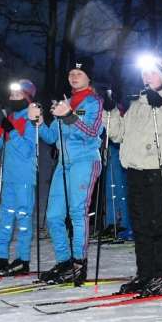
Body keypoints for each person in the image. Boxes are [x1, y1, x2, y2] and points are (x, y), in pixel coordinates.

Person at [105, 55, 162, 296]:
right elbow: (118, 135)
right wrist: (110, 113)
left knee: (160, 225)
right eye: (144, 73)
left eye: (152, 73)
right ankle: (145, 273)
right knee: (140, 225)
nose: (146, 77)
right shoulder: (136, 104)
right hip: (134, 171)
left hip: (158, 171)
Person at [30, 60, 104, 285]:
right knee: (53, 216)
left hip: (85, 160)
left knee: (77, 212)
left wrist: (70, 115)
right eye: (71, 73)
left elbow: (92, 132)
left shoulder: (94, 102)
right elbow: (52, 137)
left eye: (79, 73)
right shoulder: (65, 102)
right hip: (64, 163)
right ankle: (64, 262)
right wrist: (39, 122)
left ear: (88, 78)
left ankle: (78, 264)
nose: (74, 76)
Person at [0, 80, 39, 275]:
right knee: (5, 218)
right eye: (11, 95)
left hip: (24, 179)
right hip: (9, 179)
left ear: (27, 98)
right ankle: (0, 257)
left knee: (23, 219)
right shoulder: (9, 117)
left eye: (18, 95)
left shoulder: (31, 119)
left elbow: (29, 150)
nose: (13, 98)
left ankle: (23, 259)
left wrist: (12, 131)